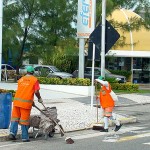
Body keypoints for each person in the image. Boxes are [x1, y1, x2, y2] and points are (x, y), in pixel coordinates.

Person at [9, 66, 43, 142]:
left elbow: (24, 91)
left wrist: (32, 101)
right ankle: (24, 137)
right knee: (24, 120)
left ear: (26, 72)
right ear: (33, 73)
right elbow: (36, 92)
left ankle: (12, 133)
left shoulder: (21, 79)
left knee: (15, 118)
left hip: (17, 102)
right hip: (25, 104)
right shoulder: (34, 80)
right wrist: (39, 98)